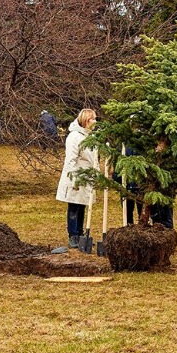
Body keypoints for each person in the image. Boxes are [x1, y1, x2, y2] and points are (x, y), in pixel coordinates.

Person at [52, 108, 98, 253]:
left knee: (83, 204)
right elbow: (71, 159)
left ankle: (80, 233)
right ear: (85, 121)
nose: (95, 121)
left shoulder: (90, 137)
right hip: (76, 176)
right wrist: (75, 178)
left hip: (87, 176)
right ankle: (73, 236)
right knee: (74, 206)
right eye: (92, 119)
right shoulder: (74, 137)